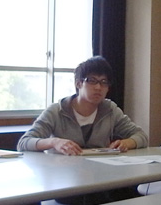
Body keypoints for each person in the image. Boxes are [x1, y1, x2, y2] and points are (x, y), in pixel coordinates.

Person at [17, 56, 147, 155]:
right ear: (78, 84)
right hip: (62, 173)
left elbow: (141, 136)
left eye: (104, 82)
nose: (98, 87)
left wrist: (127, 143)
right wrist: (54, 142)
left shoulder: (110, 110)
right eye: (92, 81)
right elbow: (24, 142)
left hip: (100, 173)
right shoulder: (57, 111)